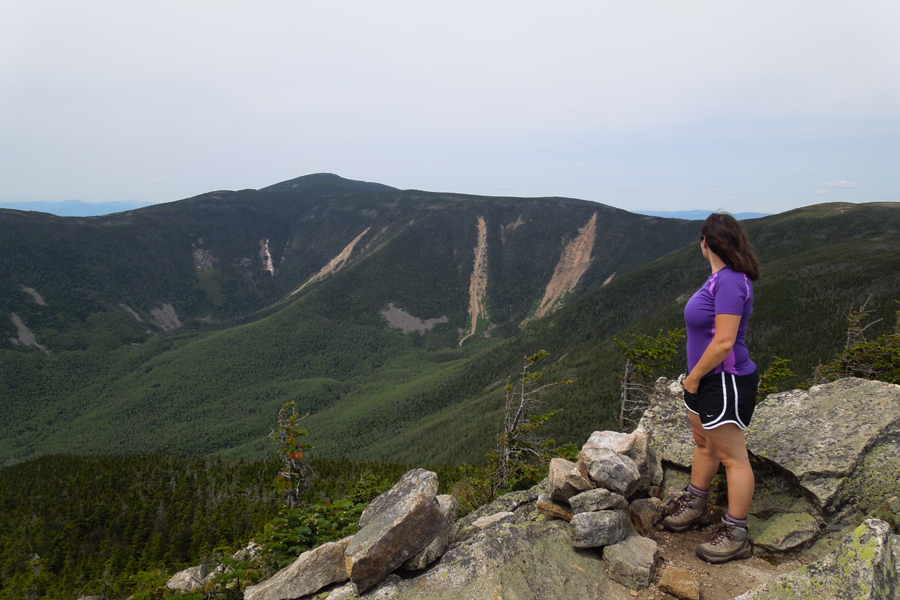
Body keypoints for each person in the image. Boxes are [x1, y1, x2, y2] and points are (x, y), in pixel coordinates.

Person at [662, 212, 760, 564]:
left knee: (733, 457)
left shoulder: (732, 281)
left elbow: (724, 343)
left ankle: (736, 533)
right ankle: (696, 504)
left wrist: (691, 378)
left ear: (706, 242)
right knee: (704, 442)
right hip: (706, 379)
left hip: (725, 380)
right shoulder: (719, 279)